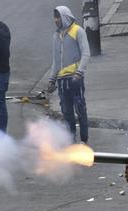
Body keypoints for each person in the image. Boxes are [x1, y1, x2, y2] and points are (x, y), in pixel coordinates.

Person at [47, 6, 91, 144]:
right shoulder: (56, 35)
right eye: (55, 17)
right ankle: (71, 140)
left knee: (80, 110)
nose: (56, 20)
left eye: (58, 17)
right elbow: (56, 60)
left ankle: (84, 140)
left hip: (74, 79)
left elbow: (86, 53)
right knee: (67, 113)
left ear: (65, 16)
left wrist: (79, 72)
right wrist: (51, 79)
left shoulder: (78, 31)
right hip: (61, 81)